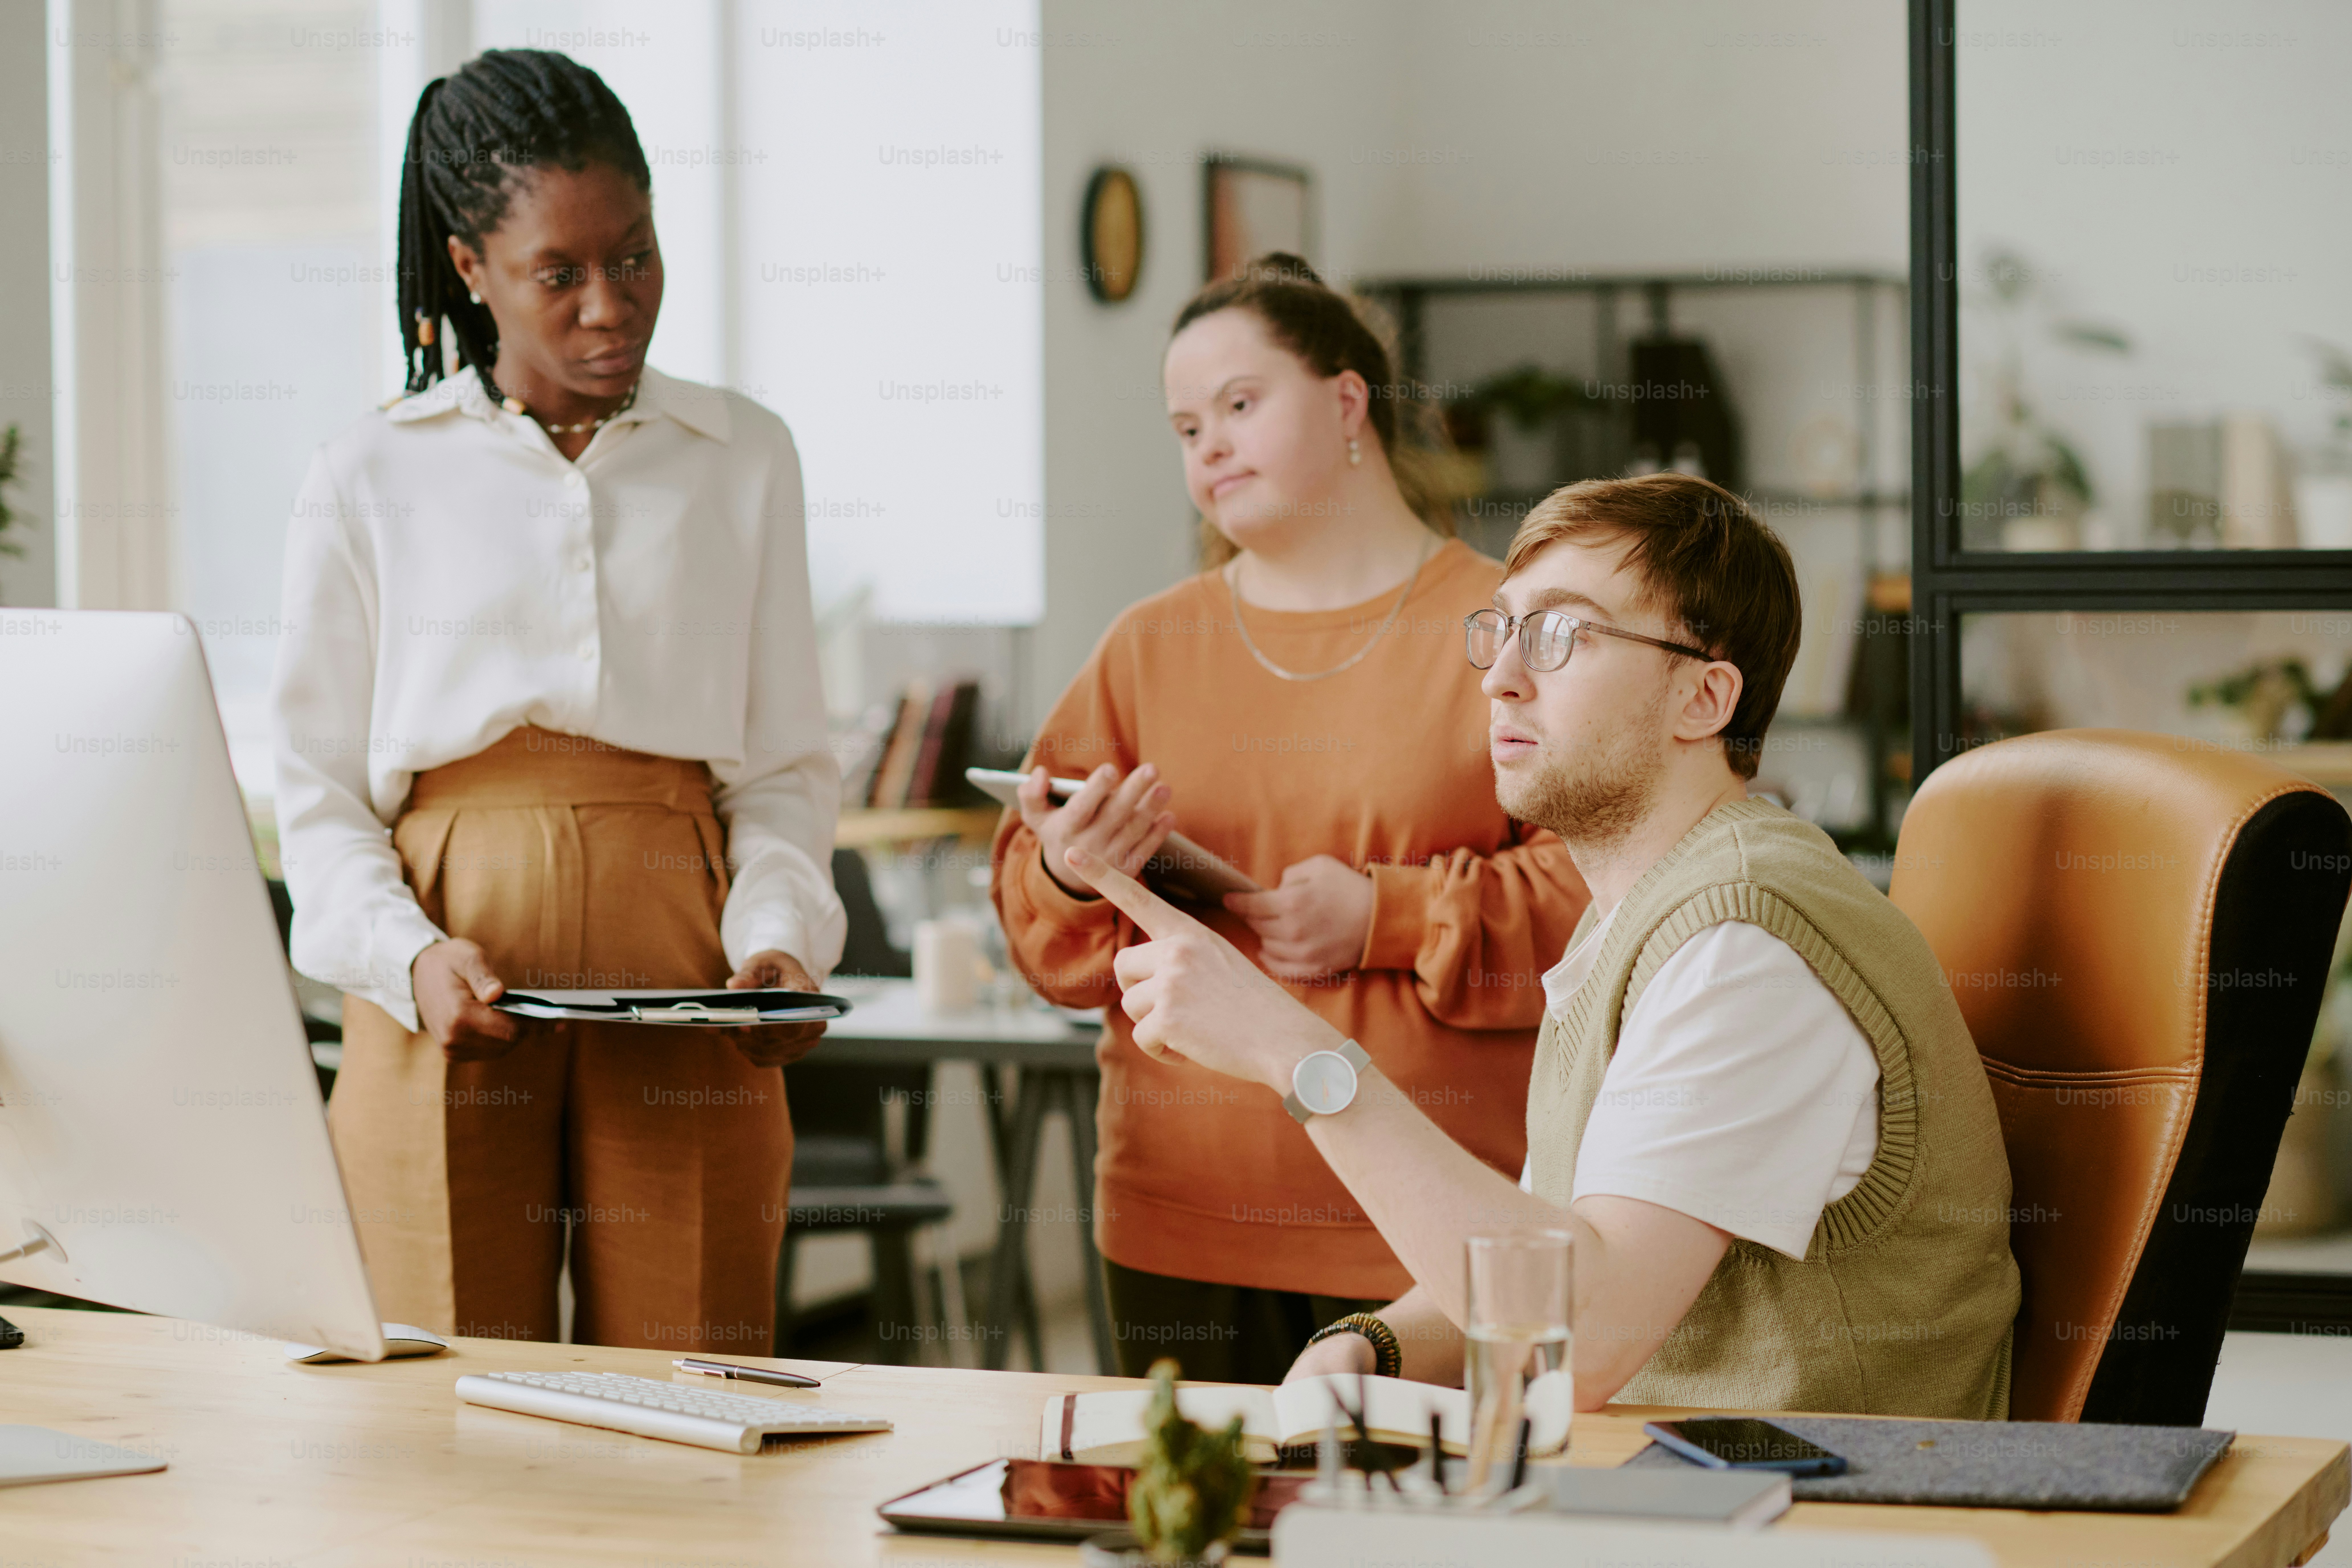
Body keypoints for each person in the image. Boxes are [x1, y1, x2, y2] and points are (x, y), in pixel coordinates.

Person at [1051, 472, 2021, 1417]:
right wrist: (1376, 1341)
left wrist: (1285, 1046)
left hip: (1822, 1520)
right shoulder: (1633, 916)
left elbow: (1577, 1335)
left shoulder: (1746, 943)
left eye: (1561, 635)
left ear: (1703, 700)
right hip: (1662, 1495)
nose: (1502, 679)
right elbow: (1544, 1249)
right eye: (1501, 630)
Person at [271, 50, 844, 1351]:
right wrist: (408, 957)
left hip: (689, 957)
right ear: (470, 268)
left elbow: (784, 769)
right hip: (445, 956)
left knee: (697, 1380)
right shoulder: (365, 469)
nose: (610, 307)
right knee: (440, 1384)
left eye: (634, 258)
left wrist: (781, 945)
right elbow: (313, 791)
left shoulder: (745, 458)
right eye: (561, 274)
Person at [990, 256, 1589, 1381]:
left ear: (1349, 402)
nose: (1207, 444)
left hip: (1430, 1231)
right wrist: (1073, 873)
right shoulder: (1146, 643)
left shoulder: (1502, 622)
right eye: (1183, 426)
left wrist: (1387, 914)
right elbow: (1033, 917)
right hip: (1176, 1215)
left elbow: (1601, 901)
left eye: (1239, 403)